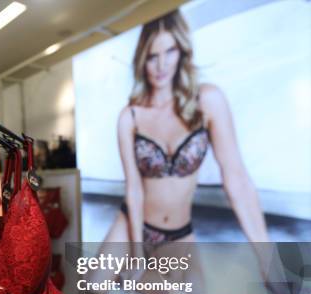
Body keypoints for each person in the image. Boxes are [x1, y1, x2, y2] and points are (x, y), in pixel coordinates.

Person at [104, 10, 269, 245]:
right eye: (152, 56)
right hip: (132, 223)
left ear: (181, 50)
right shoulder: (130, 116)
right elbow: (134, 190)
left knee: (172, 283)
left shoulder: (208, 100)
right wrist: (137, 252)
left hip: (180, 235)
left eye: (170, 51)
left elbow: (237, 179)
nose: (162, 65)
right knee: (90, 283)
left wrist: (267, 257)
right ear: (143, 59)